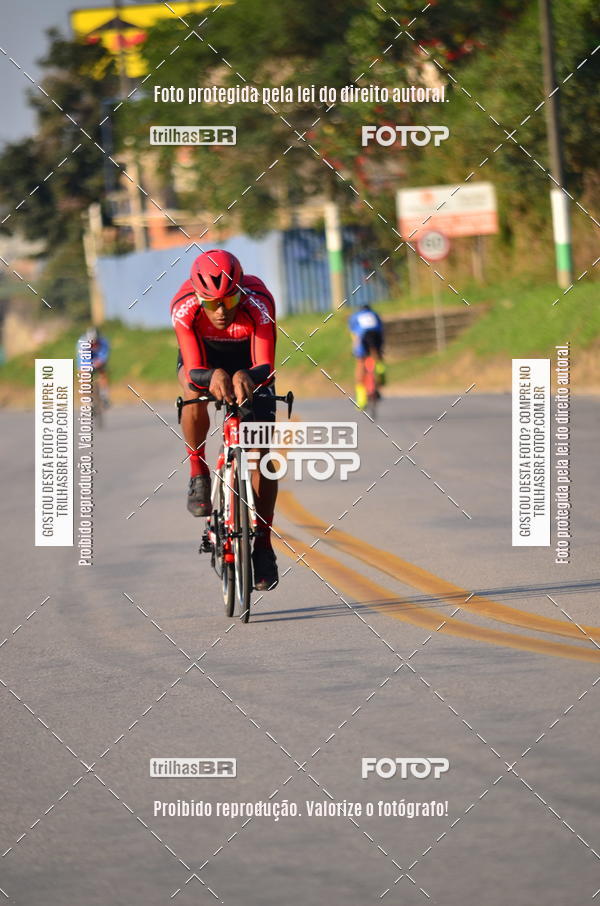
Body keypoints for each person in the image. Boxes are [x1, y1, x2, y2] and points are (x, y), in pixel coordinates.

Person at [170, 249, 279, 591]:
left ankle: (262, 544)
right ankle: (197, 471)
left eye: (228, 301)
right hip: (205, 360)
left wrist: (244, 376)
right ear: (198, 296)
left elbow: (266, 365)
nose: (219, 311)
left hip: (250, 362)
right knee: (191, 395)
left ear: (239, 293)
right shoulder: (184, 306)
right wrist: (212, 374)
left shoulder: (259, 301)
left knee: (261, 455)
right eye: (210, 303)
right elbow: (192, 367)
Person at [348, 303, 385, 409]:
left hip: (363, 337)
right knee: (378, 356)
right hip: (376, 336)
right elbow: (381, 331)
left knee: (360, 363)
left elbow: (355, 335)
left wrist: (355, 350)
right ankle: (381, 372)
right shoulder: (375, 314)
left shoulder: (355, 316)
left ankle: (361, 400)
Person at [77, 327, 111, 405]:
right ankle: (86, 399)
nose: (93, 344)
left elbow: (104, 356)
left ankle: (104, 395)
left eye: (95, 341)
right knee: (84, 376)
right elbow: (81, 359)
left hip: (97, 359)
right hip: (85, 361)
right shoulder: (81, 343)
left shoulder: (104, 342)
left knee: (103, 372)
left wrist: (99, 363)